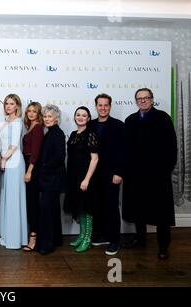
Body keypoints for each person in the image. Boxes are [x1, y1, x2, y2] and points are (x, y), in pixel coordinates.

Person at [122, 88, 177, 260]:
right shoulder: (130, 120)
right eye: (140, 98)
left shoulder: (163, 118)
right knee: (138, 208)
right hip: (136, 174)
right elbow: (126, 150)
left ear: (152, 100)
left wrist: (165, 169)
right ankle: (140, 239)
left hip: (158, 174)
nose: (143, 101)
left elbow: (171, 146)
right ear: (136, 101)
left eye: (146, 98)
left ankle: (163, 246)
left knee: (161, 212)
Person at [89, 93, 124, 256]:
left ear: (110, 106)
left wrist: (119, 172)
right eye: (100, 105)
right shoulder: (91, 124)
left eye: (106, 105)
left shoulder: (118, 125)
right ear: (96, 106)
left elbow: (123, 151)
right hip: (95, 174)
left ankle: (114, 241)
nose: (103, 108)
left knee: (111, 207)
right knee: (98, 206)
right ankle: (102, 235)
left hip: (112, 174)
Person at [64, 106, 99, 253]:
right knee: (79, 208)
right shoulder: (73, 134)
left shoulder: (91, 134)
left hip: (86, 177)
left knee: (87, 209)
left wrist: (86, 179)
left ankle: (87, 239)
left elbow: (95, 159)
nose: (80, 117)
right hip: (74, 176)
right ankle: (81, 235)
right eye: (78, 114)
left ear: (89, 118)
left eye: (84, 115)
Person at [35, 104, 66, 255]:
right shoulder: (50, 133)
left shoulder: (57, 134)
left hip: (52, 179)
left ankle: (47, 245)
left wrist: (43, 166)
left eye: (50, 117)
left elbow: (59, 158)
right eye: (45, 116)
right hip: (50, 179)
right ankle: (55, 240)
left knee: (47, 211)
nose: (47, 119)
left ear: (56, 119)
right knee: (52, 209)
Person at [0, 94, 27, 249]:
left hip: (14, 163)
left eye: (12, 103)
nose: (8, 106)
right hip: (6, 164)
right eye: (6, 103)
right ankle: (7, 235)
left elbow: (14, 145)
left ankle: (15, 239)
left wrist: (3, 160)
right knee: (7, 199)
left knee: (14, 201)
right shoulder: (3, 122)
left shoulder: (17, 122)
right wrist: (1, 160)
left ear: (17, 106)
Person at [22, 101, 44, 251]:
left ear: (38, 114)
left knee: (33, 204)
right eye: (29, 111)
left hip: (33, 167)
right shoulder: (30, 127)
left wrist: (29, 171)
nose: (31, 113)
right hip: (27, 164)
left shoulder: (37, 129)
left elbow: (35, 153)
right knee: (30, 203)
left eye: (34, 111)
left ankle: (34, 238)